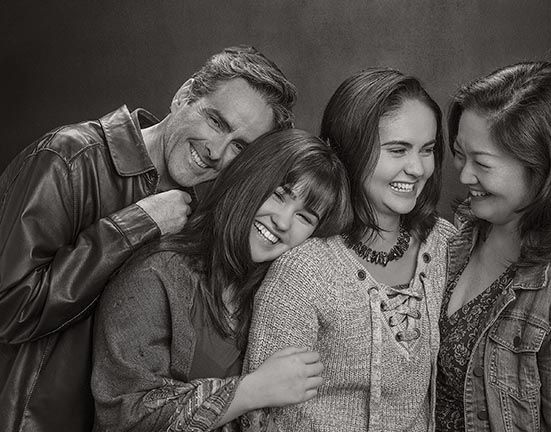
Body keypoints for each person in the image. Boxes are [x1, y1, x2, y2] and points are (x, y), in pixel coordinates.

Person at [0, 45, 296, 432]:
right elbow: (11, 310)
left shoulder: (195, 219)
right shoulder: (70, 158)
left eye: (240, 146)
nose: (216, 151)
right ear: (184, 95)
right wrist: (136, 224)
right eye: (216, 121)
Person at [91, 128, 351, 431]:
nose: (283, 222)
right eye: (279, 195)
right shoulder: (156, 275)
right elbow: (125, 418)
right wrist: (251, 391)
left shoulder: (278, 298)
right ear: (248, 180)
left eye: (305, 217)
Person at [244, 68, 457, 431]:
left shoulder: (445, 242)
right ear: (353, 150)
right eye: (398, 150)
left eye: (427, 150)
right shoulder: (304, 269)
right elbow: (261, 418)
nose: (417, 168)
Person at [435, 61, 551, 431]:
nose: (464, 175)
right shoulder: (453, 237)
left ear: (544, 170)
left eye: (482, 164)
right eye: (460, 153)